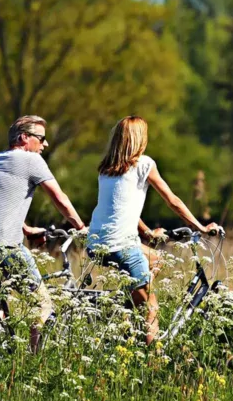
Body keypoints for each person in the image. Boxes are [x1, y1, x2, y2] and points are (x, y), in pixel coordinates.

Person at [87, 116, 222, 345]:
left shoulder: (106, 169)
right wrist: (200, 227)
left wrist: (147, 232)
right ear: (140, 139)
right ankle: (153, 364)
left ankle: (129, 309)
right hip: (122, 245)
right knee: (152, 309)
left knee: (155, 258)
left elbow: (120, 208)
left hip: (96, 242)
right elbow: (172, 200)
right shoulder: (144, 164)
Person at [0, 115, 86, 352]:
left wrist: (27, 229)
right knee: (42, 304)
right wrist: (80, 227)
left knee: (3, 300)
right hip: (0, 244)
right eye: (41, 138)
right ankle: (32, 362)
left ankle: (1, 343)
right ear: (24, 138)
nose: (45, 144)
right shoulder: (31, 160)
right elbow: (59, 198)